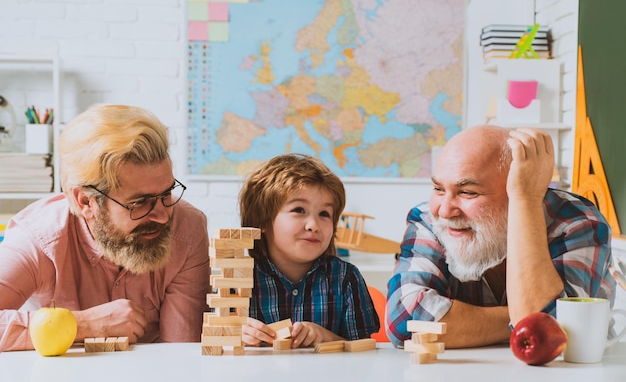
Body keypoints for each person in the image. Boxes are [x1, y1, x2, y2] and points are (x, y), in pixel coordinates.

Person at [0, 104, 210, 352]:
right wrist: (83, 325)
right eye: (139, 203)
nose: (163, 216)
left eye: (167, 193)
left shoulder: (187, 229)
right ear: (86, 201)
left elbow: (180, 354)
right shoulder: (37, 239)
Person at [386, 125, 616, 349]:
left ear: (517, 186)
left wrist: (525, 200)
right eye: (438, 189)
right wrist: (517, 320)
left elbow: (553, 342)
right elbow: (405, 321)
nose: (444, 211)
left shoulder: (577, 223)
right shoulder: (428, 220)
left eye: (467, 192)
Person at [239, 153, 379, 348]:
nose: (314, 225)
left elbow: (366, 351)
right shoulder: (238, 281)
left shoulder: (346, 278)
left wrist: (326, 337)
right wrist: (236, 335)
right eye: (299, 210)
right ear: (262, 220)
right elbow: (214, 349)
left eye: (324, 214)